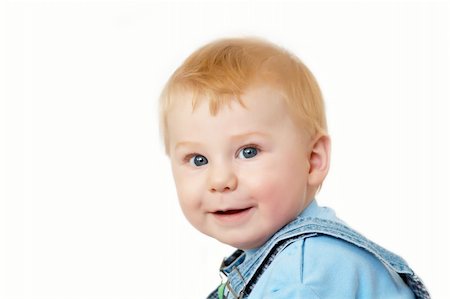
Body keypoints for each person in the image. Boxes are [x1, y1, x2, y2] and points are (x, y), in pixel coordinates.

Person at [159, 37, 430, 298]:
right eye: (198, 159)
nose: (220, 180)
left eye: (249, 152)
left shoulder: (300, 276)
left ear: (312, 160)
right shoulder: (296, 258)